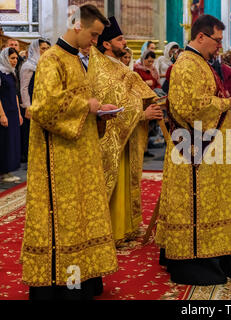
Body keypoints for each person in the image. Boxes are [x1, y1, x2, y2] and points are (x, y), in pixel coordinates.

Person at [20, 4, 119, 300]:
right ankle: (60, 285)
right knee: (63, 219)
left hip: (82, 153)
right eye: (93, 34)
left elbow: (79, 101)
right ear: (78, 25)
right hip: (58, 158)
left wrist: (99, 112)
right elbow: (44, 107)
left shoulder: (77, 60)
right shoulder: (52, 60)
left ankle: (84, 279)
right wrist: (86, 106)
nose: (95, 41)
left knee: (82, 217)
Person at [155, 14, 231, 286]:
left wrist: (224, 102)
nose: (220, 45)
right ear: (201, 36)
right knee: (197, 205)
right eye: (217, 40)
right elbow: (187, 107)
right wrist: (226, 105)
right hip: (195, 151)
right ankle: (195, 262)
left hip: (210, 149)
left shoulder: (201, 63)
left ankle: (217, 253)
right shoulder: (186, 64)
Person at [92, 16, 163, 247]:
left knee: (125, 181)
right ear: (106, 44)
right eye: (120, 39)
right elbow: (109, 103)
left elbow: (136, 95)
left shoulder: (119, 68)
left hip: (126, 134)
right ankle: (108, 232)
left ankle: (126, 227)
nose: (125, 43)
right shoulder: (99, 69)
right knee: (111, 184)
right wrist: (141, 114)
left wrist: (156, 104)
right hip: (108, 135)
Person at [19, 39, 51, 163]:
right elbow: (24, 87)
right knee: (32, 135)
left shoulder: (48, 64)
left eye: (48, 48)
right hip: (33, 103)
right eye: (43, 48)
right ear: (35, 49)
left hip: (45, 103)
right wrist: (27, 106)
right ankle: (32, 162)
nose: (46, 51)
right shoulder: (29, 65)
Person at [0, 47, 22, 183]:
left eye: (16, 58)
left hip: (13, 111)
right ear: (5, 58)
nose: (14, 61)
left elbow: (15, 94)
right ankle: (3, 171)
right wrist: (2, 115)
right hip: (5, 111)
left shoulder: (11, 73)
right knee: (4, 142)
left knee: (12, 141)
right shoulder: (0, 73)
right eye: (12, 58)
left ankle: (9, 170)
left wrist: (19, 113)